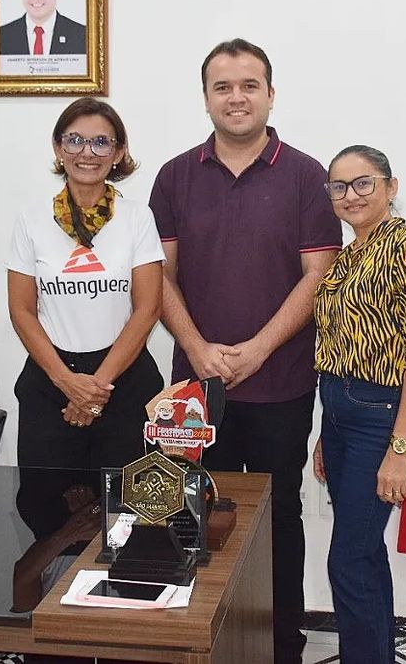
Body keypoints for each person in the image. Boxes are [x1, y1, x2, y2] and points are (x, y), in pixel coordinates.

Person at [149, 38, 342, 663]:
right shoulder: (175, 176)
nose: (237, 98)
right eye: (223, 87)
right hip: (194, 391)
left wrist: (258, 348)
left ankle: (282, 645)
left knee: (278, 518)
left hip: (280, 382)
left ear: (270, 94)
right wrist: (197, 347)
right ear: (206, 97)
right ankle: (197, 643)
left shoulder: (308, 175)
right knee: (190, 517)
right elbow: (158, 278)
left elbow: (319, 275)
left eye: (249, 85)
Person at [312, 144, 406, 664]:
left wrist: (400, 448)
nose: (350, 196)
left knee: (348, 558)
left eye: (363, 183)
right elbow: (339, 347)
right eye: (339, 187)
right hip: (342, 411)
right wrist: (327, 432)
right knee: (362, 554)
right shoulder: (349, 255)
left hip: (381, 418)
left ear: (391, 187)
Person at [7, 97, 164, 470]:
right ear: (58, 149)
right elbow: (21, 310)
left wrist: (96, 389)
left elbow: (148, 309)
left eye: (101, 142)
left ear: (118, 152)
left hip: (124, 383)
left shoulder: (137, 218)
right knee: (45, 512)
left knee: (128, 515)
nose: (87, 153)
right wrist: (67, 382)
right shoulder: (31, 220)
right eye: (75, 140)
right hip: (51, 383)